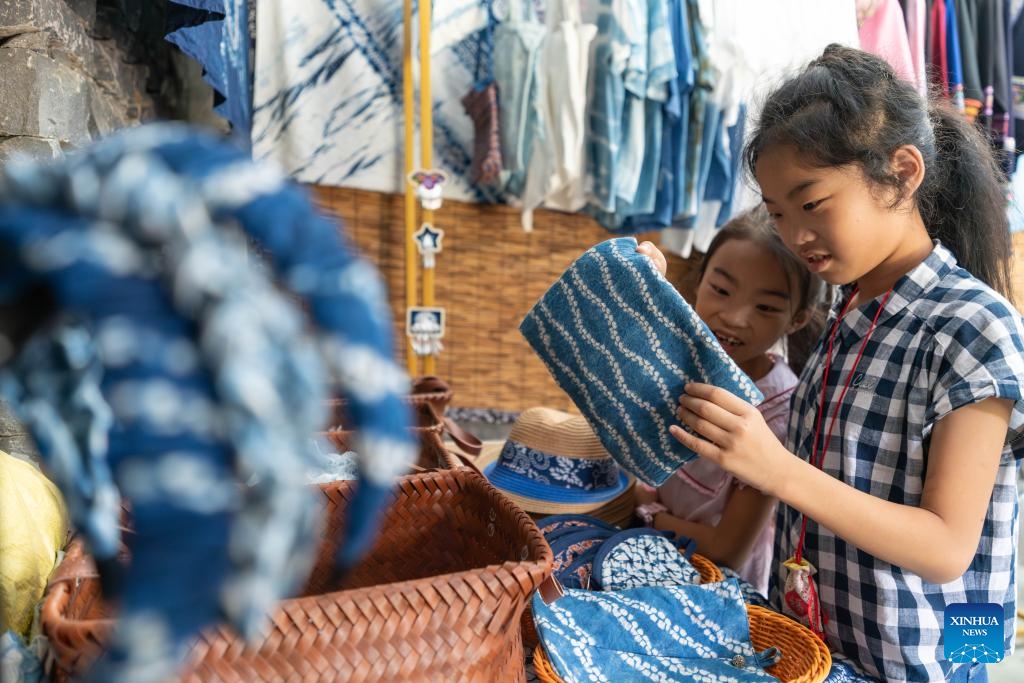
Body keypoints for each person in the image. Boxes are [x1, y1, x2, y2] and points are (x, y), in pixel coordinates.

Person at [669, 44, 1024, 682]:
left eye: (811, 204)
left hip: (920, 664)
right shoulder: (851, 311)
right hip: (819, 650)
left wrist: (777, 470)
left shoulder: (973, 325)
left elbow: (945, 549)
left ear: (903, 171)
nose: (795, 234)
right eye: (778, 213)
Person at [634, 207, 822, 596]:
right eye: (720, 290)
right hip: (649, 557)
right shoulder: (685, 354)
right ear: (699, 281)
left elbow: (728, 550)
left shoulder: (776, 415)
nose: (734, 317)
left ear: (797, 319)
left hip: (714, 586)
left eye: (766, 307)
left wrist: (643, 510)